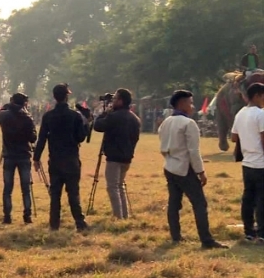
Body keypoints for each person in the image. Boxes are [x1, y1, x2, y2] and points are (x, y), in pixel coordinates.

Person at [158, 90, 227, 249]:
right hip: (185, 168)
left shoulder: (166, 122)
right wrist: (200, 172)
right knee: (199, 203)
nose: (192, 106)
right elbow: (193, 151)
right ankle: (206, 240)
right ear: (181, 104)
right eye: (190, 102)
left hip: (169, 166)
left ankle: (176, 236)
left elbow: (162, 147)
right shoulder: (189, 124)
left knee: (174, 203)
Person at [33, 84, 90, 232]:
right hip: (71, 159)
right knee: (73, 193)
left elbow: (42, 139)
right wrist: (86, 126)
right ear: (66, 96)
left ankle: (54, 224)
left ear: (54, 97)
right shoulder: (75, 116)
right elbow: (80, 137)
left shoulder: (48, 116)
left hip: (55, 160)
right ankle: (80, 223)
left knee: (55, 194)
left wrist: (36, 158)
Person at [93, 88, 141, 219]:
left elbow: (97, 126)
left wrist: (105, 112)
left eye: (115, 99)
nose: (112, 101)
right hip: (127, 156)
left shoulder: (114, 116)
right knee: (120, 186)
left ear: (120, 101)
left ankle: (118, 216)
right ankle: (124, 215)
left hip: (114, 157)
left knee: (112, 187)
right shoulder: (135, 118)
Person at [0, 93, 38, 224]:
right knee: (26, 188)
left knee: (7, 188)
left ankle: (7, 216)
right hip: (24, 155)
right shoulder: (27, 117)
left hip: (8, 155)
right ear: (24, 103)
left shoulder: (4, 116)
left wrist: (9, 105)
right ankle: (27, 215)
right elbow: (33, 138)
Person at [230, 83, 264, 244]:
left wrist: (247, 137)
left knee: (248, 198)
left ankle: (249, 231)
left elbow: (234, 138)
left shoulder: (240, 114)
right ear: (257, 95)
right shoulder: (260, 114)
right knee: (261, 199)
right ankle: (262, 233)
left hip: (247, 162)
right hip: (261, 162)